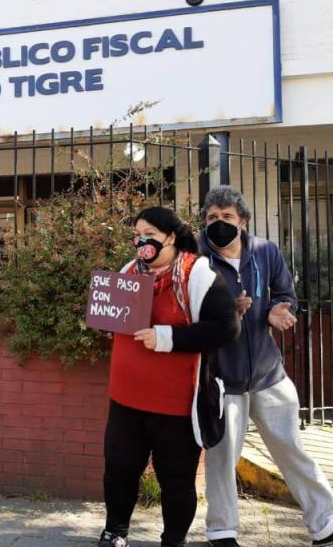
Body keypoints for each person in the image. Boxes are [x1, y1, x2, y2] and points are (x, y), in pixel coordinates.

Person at [198, 186, 333, 546]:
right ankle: (222, 531)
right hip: (221, 376)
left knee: (291, 447)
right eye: (212, 217)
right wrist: (225, 313)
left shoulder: (265, 252)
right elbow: (186, 311)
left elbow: (287, 295)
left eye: (227, 216)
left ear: (243, 221)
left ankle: (326, 523)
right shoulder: (195, 258)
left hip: (268, 371)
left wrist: (278, 310)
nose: (218, 223)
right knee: (222, 456)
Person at [97, 207, 240, 547]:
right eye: (137, 235)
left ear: (171, 237)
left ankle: (173, 541)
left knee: (176, 480)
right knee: (119, 470)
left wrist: (166, 337)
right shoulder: (129, 271)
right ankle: (115, 532)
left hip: (175, 405)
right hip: (126, 399)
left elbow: (226, 328)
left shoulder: (197, 274)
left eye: (149, 235)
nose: (141, 242)